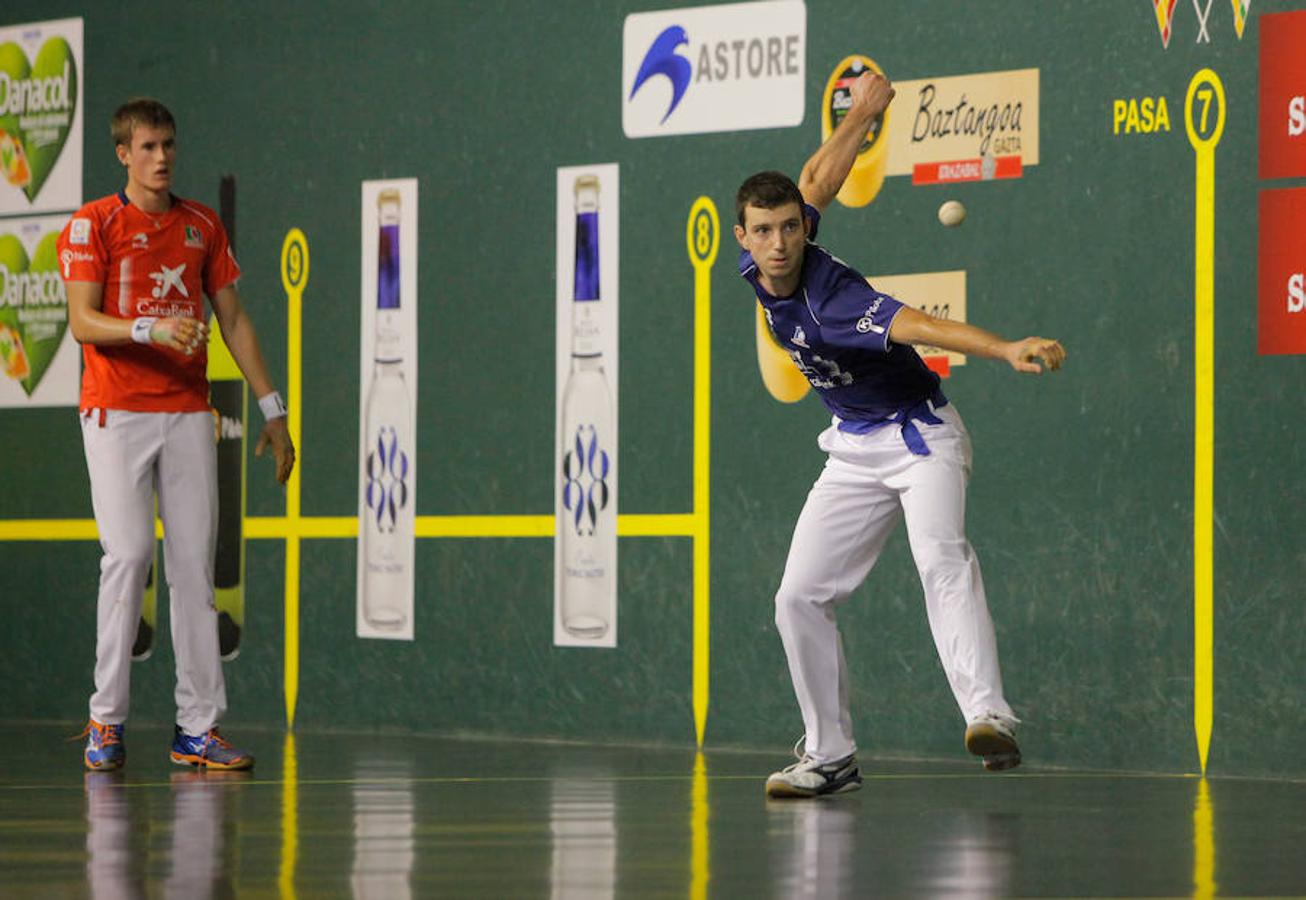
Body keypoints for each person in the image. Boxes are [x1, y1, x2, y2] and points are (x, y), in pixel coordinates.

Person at [736, 72, 1066, 798]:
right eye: (766, 230)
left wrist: (1007, 347)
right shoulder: (763, 263)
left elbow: (925, 326)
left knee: (939, 556)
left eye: (791, 226)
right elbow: (818, 176)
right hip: (853, 447)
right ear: (746, 238)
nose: (782, 241)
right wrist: (861, 114)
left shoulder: (835, 301)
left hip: (922, 440)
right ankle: (830, 755)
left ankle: (989, 718)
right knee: (797, 596)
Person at [58, 98, 295, 771]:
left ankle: (198, 729)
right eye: (148, 146)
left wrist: (272, 410)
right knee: (130, 556)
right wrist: (149, 328)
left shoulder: (201, 226)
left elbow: (236, 321)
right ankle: (106, 721)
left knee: (194, 566)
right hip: (116, 411)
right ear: (122, 154)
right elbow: (82, 321)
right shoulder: (92, 225)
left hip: (188, 412)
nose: (162, 157)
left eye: (168, 145)